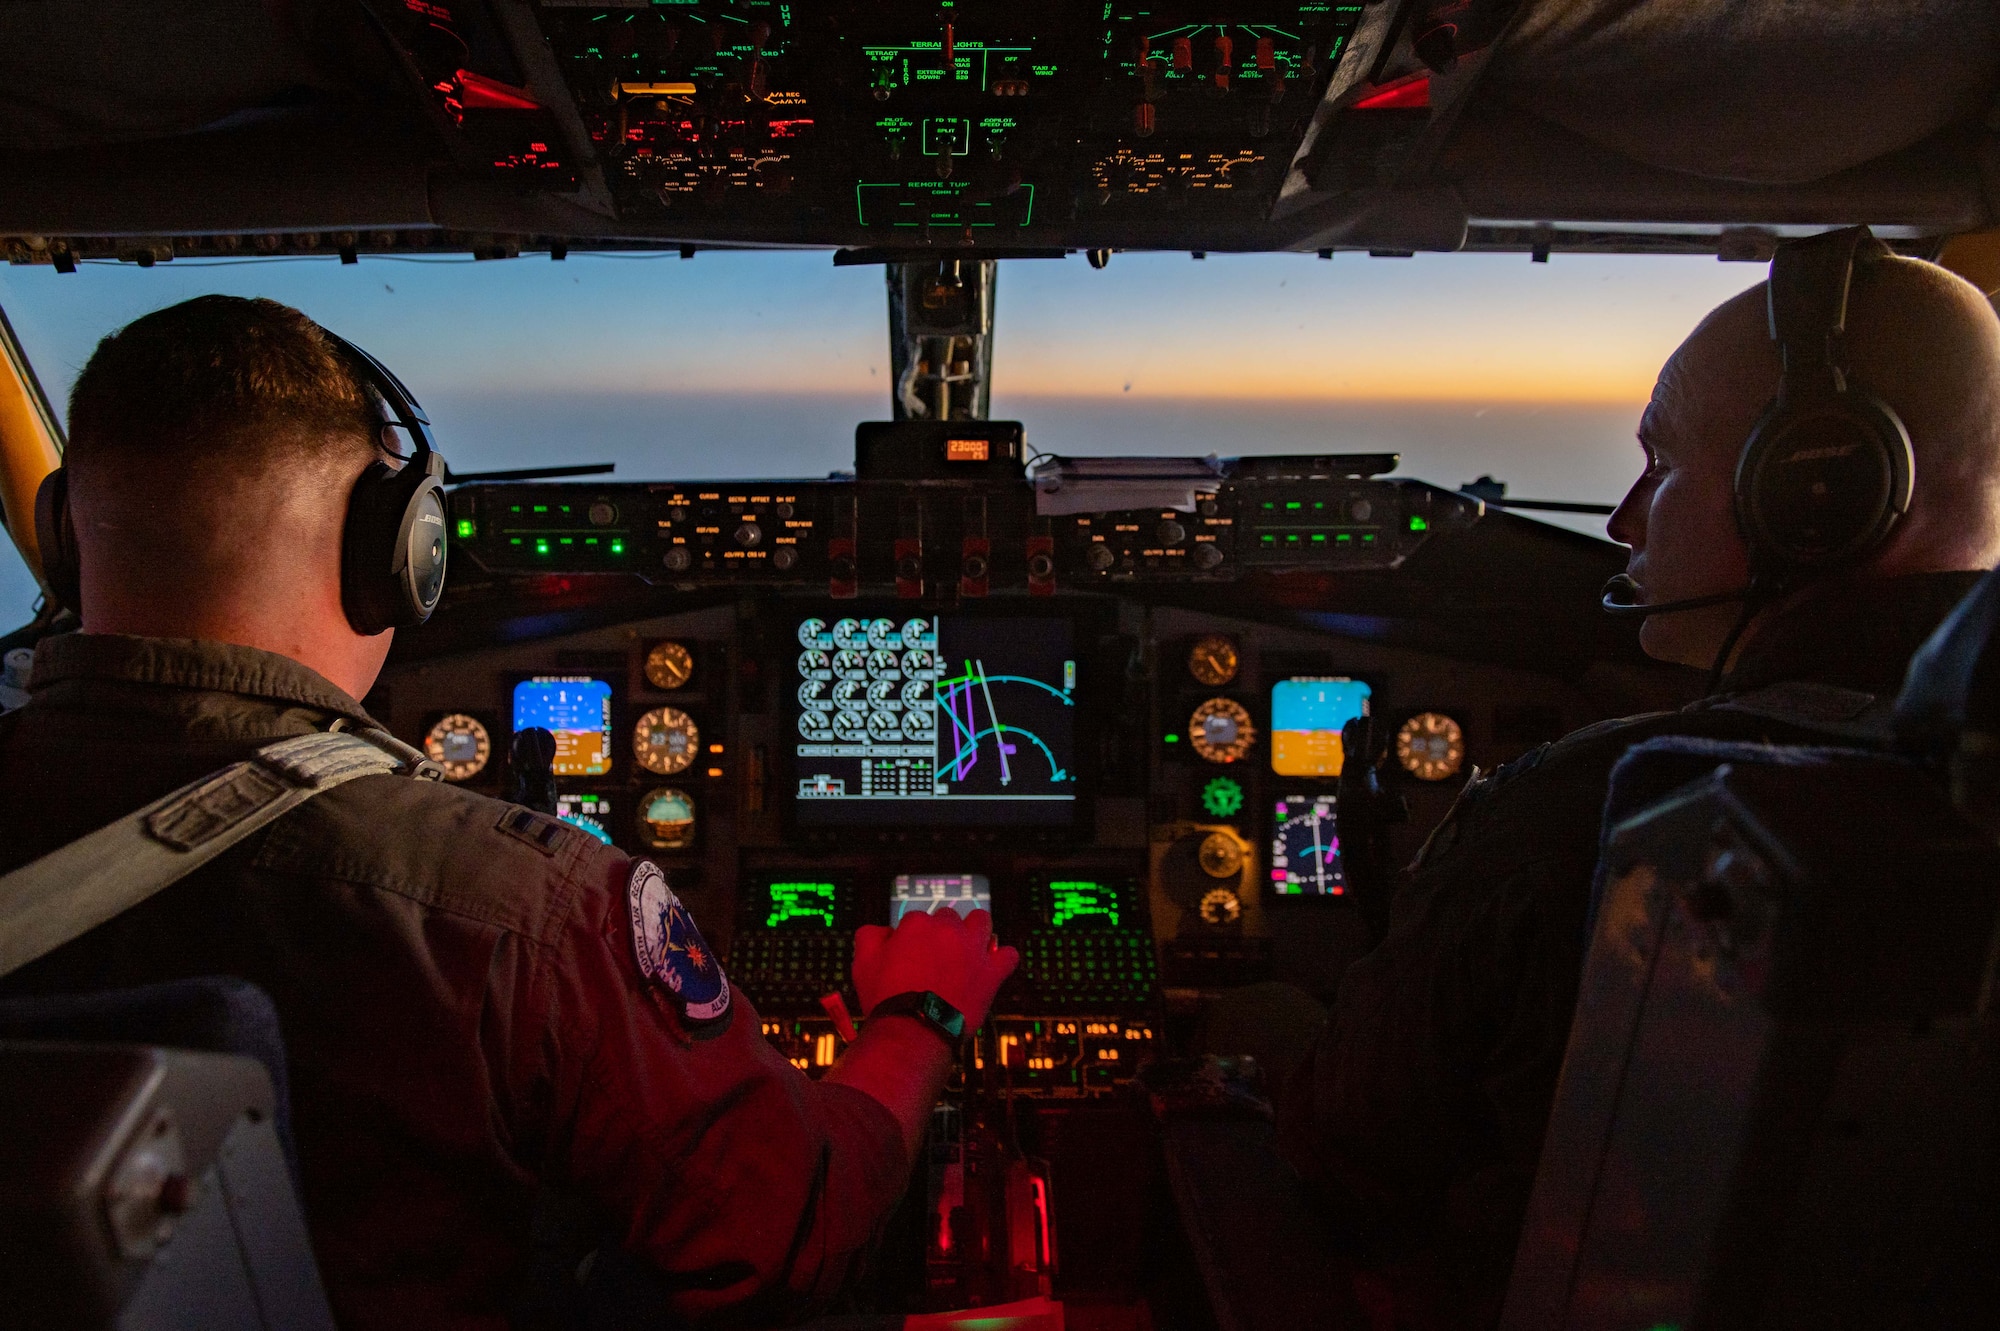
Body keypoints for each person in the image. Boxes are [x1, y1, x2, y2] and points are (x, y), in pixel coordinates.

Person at [0, 295, 1019, 1329]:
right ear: (396, 550)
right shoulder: (515, 904)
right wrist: (918, 1017)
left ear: (69, 540)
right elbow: (787, 1224)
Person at [1276, 241, 2000, 1325]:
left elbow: (1349, 1153)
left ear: (1814, 488)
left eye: (1658, 464)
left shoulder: (1599, 810)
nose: (1619, 520)